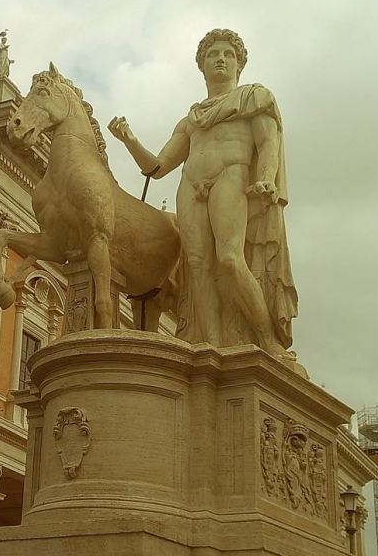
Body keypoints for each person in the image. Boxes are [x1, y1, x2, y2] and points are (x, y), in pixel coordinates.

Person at [108, 29, 298, 361]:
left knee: (229, 259)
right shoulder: (191, 119)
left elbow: (268, 142)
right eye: (213, 55)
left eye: (228, 54)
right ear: (202, 66)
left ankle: (268, 341)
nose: (221, 59)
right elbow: (158, 167)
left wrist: (266, 179)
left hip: (231, 176)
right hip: (191, 185)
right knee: (196, 269)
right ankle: (209, 346)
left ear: (239, 65)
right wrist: (130, 140)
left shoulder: (253, 97)